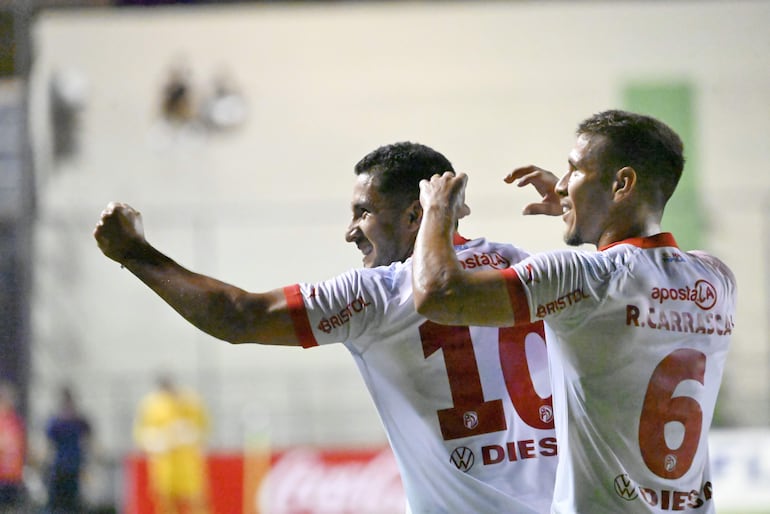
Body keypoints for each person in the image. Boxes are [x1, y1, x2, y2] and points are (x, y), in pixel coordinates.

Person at [93, 142, 558, 513]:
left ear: (416, 216)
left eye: (363, 212)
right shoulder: (535, 270)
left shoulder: (381, 293)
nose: (350, 230)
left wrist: (135, 254)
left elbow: (238, 316)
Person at [411, 110, 736, 513]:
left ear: (622, 183)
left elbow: (439, 293)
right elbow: (638, 268)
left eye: (574, 170)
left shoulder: (585, 279)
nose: (562, 184)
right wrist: (582, 203)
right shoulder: (717, 279)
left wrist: (436, 211)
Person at [133, 374, 210, 514]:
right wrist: (155, 440)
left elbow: (202, 426)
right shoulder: (151, 405)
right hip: (164, 460)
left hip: (186, 459)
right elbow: (142, 432)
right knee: (164, 498)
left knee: (194, 496)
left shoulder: (189, 401)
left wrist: (189, 433)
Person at [44, 385, 92, 514]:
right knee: (58, 502)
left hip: (73, 465)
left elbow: (87, 440)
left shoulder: (78, 421)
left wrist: (87, 464)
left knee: (72, 502)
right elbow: (49, 444)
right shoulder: (56, 422)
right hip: (60, 465)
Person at [0, 381, 26, 513]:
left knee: (11, 509)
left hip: (14, 476)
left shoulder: (16, 420)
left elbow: (21, 446)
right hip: (1, 475)